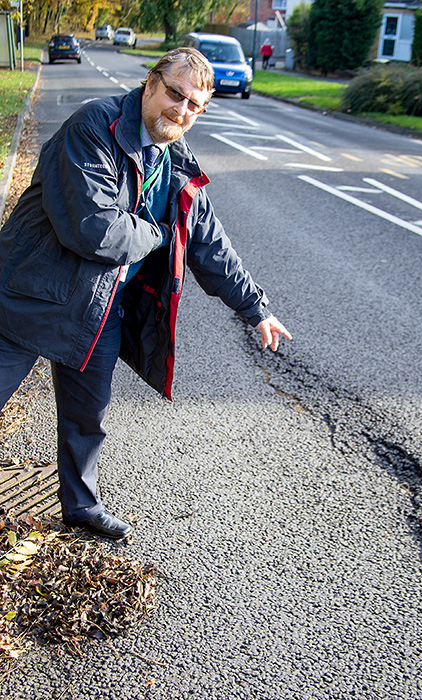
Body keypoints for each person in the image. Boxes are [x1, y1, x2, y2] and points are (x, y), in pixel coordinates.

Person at [0, 48, 292, 540]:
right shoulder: (95, 125)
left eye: (194, 105)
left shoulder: (178, 164)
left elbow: (210, 242)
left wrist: (255, 308)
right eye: (175, 94)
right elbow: (94, 230)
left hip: (97, 311)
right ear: (151, 84)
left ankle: (80, 506)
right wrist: (159, 233)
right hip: (31, 294)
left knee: (87, 417)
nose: (180, 110)